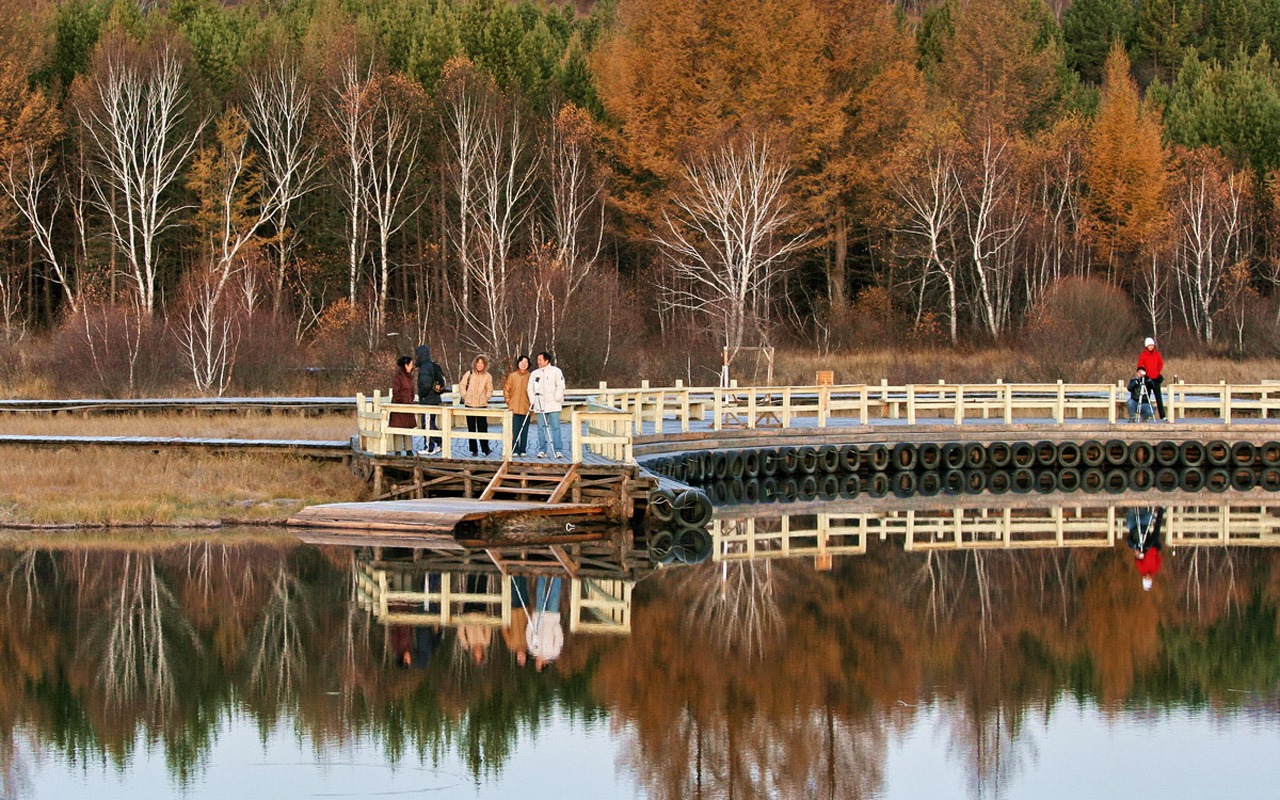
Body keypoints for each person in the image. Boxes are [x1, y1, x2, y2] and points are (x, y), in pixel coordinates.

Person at [527, 351, 566, 459]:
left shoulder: (556, 371)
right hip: (540, 404)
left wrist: (557, 397)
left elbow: (560, 385)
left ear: (546, 360)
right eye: (538, 360)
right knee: (541, 428)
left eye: (540, 360)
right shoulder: (534, 373)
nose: (538, 362)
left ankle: (558, 450)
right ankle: (542, 450)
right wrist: (533, 400)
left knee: (556, 427)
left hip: (553, 404)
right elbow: (530, 388)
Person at [525, 575, 563, 672]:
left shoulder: (533, 650)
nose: (536, 663)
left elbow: (528, 634)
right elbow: (559, 638)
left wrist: (531, 623)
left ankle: (542, 574)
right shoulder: (554, 652)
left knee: (540, 593)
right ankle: (557, 574)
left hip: (538, 617)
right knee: (555, 594)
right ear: (544, 664)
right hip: (552, 617)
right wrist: (556, 625)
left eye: (536, 665)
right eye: (538, 665)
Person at [415, 345, 447, 455]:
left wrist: (421, 395)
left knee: (427, 424)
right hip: (435, 399)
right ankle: (439, 442)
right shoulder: (434, 366)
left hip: (428, 400)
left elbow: (426, 385)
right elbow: (443, 382)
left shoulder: (424, 367)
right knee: (431, 423)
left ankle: (429, 447)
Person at [460, 355, 494, 456]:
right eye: (478, 363)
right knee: (471, 428)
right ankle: (474, 450)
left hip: (481, 405)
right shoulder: (469, 374)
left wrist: (486, 398)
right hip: (469, 404)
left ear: (485, 365)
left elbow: (490, 389)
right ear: (475, 364)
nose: (479, 365)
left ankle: (485, 448)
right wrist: (465, 396)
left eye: (482, 364)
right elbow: (462, 385)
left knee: (483, 427)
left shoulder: (488, 376)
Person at [1126, 507, 1164, 591]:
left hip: (1145, 548)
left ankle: (1136, 511)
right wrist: (1155, 551)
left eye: (1146, 579)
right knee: (1156, 532)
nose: (1148, 577)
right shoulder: (1155, 570)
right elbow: (1158, 559)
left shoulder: (1141, 569)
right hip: (1152, 547)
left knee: (1132, 527)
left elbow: (1137, 557)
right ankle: (1161, 511)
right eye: (1149, 579)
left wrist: (1140, 555)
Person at [503, 355, 533, 457]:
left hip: (526, 407)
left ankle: (523, 449)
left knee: (524, 429)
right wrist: (508, 401)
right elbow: (507, 389)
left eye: (526, 362)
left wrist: (532, 404)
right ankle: (514, 449)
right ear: (518, 363)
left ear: (528, 364)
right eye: (521, 362)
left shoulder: (531, 376)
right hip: (514, 407)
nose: (523, 364)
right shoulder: (512, 375)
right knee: (515, 429)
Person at [390, 355, 417, 453]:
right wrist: (403, 400)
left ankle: (409, 451)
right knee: (398, 429)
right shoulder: (398, 377)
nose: (412, 366)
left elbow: (411, 391)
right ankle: (398, 451)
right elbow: (396, 393)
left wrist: (411, 400)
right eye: (410, 364)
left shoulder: (409, 377)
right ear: (406, 365)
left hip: (408, 406)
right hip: (399, 406)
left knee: (408, 428)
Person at [1137, 336, 1166, 421]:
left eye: (1152, 345)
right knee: (1146, 398)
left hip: (1156, 378)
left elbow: (1160, 363)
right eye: (1149, 345)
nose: (1151, 347)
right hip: (1147, 379)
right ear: (1146, 346)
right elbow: (1139, 365)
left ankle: (1162, 416)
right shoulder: (1143, 355)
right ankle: (1146, 416)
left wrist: (1157, 371)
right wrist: (1143, 373)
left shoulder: (1157, 354)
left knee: (1159, 398)